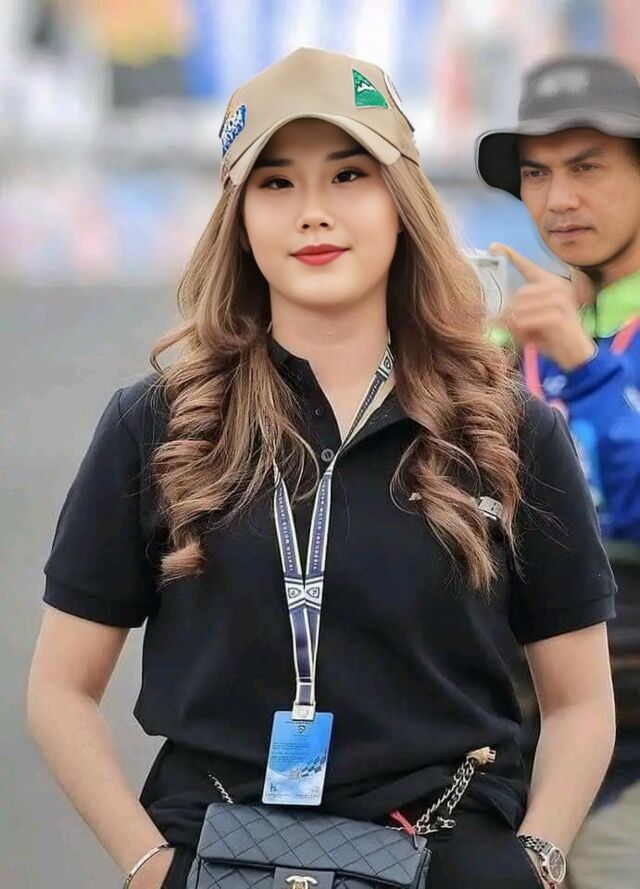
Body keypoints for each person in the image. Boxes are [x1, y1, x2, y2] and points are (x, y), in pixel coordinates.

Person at [27, 48, 616, 889]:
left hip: (452, 854)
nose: (313, 213)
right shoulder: (155, 424)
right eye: (275, 183)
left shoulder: (509, 429)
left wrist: (539, 859)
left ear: (401, 201)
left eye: (348, 176)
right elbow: (59, 688)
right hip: (219, 857)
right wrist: (150, 865)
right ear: (238, 217)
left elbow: (580, 700)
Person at [476, 55, 640, 887]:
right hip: (513, 745)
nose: (559, 198)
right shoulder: (509, 342)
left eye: (587, 167)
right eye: (536, 173)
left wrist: (586, 366)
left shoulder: (574, 344)